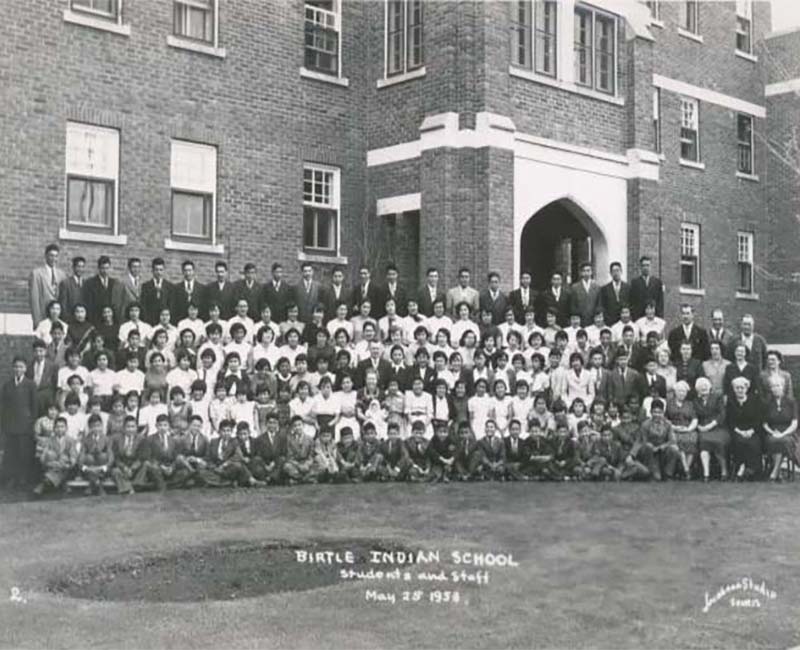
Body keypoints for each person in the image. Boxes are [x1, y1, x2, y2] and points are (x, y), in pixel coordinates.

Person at [1, 356, 38, 489]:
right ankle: (11, 477)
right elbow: (4, 406)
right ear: (12, 368)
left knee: (24, 452)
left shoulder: (30, 384)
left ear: (25, 369)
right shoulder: (7, 385)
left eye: (21, 367)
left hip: (25, 425)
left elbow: (34, 406)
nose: (18, 369)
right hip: (11, 425)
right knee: (11, 452)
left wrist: (32, 422)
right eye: (16, 366)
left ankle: (23, 478)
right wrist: (4, 423)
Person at [629, 398, 680, 481]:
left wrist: (662, 447)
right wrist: (632, 454)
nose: (657, 415)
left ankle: (668, 474)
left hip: (663, 451)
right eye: (655, 412)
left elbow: (672, 440)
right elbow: (641, 441)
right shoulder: (645, 424)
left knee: (674, 449)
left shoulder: (668, 424)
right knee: (657, 477)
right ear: (651, 412)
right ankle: (652, 472)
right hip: (650, 453)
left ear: (663, 413)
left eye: (659, 412)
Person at [762, 375, 797, 482]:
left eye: (778, 385)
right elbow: (764, 424)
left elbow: (794, 423)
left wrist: (783, 433)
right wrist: (772, 432)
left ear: (783, 386)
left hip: (788, 432)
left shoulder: (791, 402)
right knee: (773, 440)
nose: (775, 388)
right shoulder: (767, 403)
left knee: (783, 441)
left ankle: (774, 472)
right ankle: (778, 473)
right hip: (772, 432)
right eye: (772, 386)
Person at [727, 376, 763, 480]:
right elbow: (730, 421)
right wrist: (740, 432)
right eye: (737, 388)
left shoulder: (754, 401)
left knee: (754, 443)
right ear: (734, 389)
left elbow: (758, 419)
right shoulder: (731, 402)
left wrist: (751, 431)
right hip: (737, 431)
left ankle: (752, 470)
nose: (739, 390)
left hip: (752, 430)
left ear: (746, 388)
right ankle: (741, 467)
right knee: (740, 442)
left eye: (742, 387)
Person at [694, 377, 729, 482]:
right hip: (702, 428)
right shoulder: (695, 401)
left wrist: (711, 425)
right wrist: (699, 426)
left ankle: (724, 471)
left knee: (718, 442)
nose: (703, 388)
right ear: (697, 389)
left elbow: (722, 414)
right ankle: (706, 474)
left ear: (710, 387)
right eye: (701, 387)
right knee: (704, 441)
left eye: (705, 386)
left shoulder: (717, 397)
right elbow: (694, 415)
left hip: (718, 427)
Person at [32, 416, 75, 495]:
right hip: (52, 467)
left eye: (62, 427)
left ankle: (44, 483)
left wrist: (67, 464)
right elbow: (43, 457)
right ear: (54, 429)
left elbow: (73, 456)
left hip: (65, 467)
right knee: (50, 454)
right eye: (57, 427)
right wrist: (50, 463)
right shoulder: (49, 440)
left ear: (66, 428)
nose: (59, 429)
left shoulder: (70, 441)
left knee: (64, 458)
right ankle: (61, 483)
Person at [29, 244, 67, 328]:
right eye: (51, 255)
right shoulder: (37, 274)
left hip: (58, 318)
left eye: (56, 256)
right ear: (46, 256)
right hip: (43, 317)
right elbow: (34, 299)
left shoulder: (62, 274)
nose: (54, 259)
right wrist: (37, 321)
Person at [665, 381, 698, 479]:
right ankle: (686, 470)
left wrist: (689, 429)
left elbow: (695, 419)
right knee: (678, 442)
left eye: (684, 392)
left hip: (688, 429)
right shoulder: (669, 403)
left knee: (692, 441)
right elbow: (665, 419)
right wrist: (674, 427)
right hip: (674, 429)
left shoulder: (690, 404)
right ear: (675, 392)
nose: (682, 394)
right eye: (679, 391)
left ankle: (684, 470)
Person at [110, 415, 146, 494]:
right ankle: (129, 489)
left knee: (145, 465)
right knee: (115, 471)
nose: (130, 429)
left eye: (133, 427)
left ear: (136, 428)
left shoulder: (141, 439)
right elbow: (116, 458)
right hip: (122, 469)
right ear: (123, 428)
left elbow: (141, 457)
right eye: (128, 427)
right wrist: (124, 468)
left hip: (136, 469)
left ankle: (135, 485)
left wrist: (132, 468)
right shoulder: (116, 439)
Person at [84, 255, 122, 325]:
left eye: (107, 268)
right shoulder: (90, 283)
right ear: (98, 268)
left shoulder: (114, 283)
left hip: (111, 321)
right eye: (102, 268)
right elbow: (89, 304)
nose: (105, 271)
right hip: (96, 319)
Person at [140, 258, 174, 326]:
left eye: (161, 270)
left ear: (164, 271)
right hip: (150, 322)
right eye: (156, 270)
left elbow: (171, 306)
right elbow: (144, 306)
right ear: (152, 271)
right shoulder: (146, 286)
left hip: (165, 322)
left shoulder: (170, 286)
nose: (159, 272)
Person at [283, 415, 316, 484]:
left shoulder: (309, 439)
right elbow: (289, 456)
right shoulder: (289, 439)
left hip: (306, 464)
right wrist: (298, 465)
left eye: (299, 425)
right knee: (287, 467)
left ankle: (297, 480)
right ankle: (305, 479)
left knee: (320, 467)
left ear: (303, 425)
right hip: (295, 464)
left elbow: (311, 456)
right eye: (295, 426)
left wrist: (307, 464)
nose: (298, 427)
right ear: (292, 427)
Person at [628, 256, 664, 321]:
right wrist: (634, 317)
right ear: (640, 267)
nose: (645, 268)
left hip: (653, 317)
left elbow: (660, 303)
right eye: (643, 265)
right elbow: (632, 302)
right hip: (639, 318)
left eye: (647, 265)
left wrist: (659, 317)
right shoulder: (635, 283)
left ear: (651, 267)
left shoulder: (657, 282)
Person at [569, 262, 601, 327]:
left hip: (593, 321)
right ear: (581, 273)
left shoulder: (597, 287)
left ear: (591, 272)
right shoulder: (575, 287)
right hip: (580, 321)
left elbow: (599, 304)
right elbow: (573, 305)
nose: (586, 273)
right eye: (584, 271)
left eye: (588, 271)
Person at [58, 256, 87, 324]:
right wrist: (67, 320)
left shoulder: (86, 283)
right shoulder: (66, 283)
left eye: (82, 267)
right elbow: (63, 305)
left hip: (83, 321)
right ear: (73, 268)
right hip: (70, 321)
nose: (80, 269)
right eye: (78, 267)